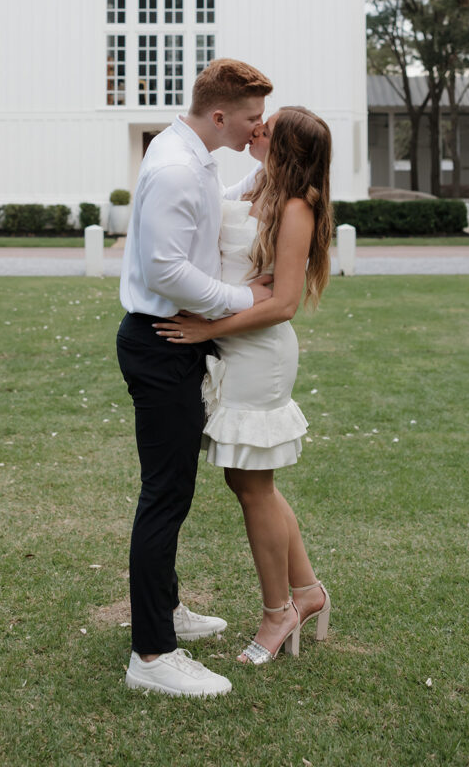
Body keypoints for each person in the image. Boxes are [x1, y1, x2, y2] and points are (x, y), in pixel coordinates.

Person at [116, 58, 274, 698]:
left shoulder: (195, 156)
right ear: (219, 115)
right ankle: (152, 654)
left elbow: (218, 211)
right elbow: (165, 272)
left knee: (173, 490)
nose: (255, 128)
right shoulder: (180, 167)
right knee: (165, 495)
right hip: (161, 342)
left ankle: (166, 609)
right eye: (251, 120)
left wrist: (272, 162)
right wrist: (246, 302)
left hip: (172, 342)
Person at [153, 106, 333, 665]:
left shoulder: (298, 206)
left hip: (260, 354)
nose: (256, 130)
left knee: (251, 485)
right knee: (251, 484)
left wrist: (210, 327)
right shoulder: (256, 184)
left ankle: (278, 611)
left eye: (268, 128)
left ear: (289, 148)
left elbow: (282, 304)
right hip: (232, 344)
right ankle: (305, 593)